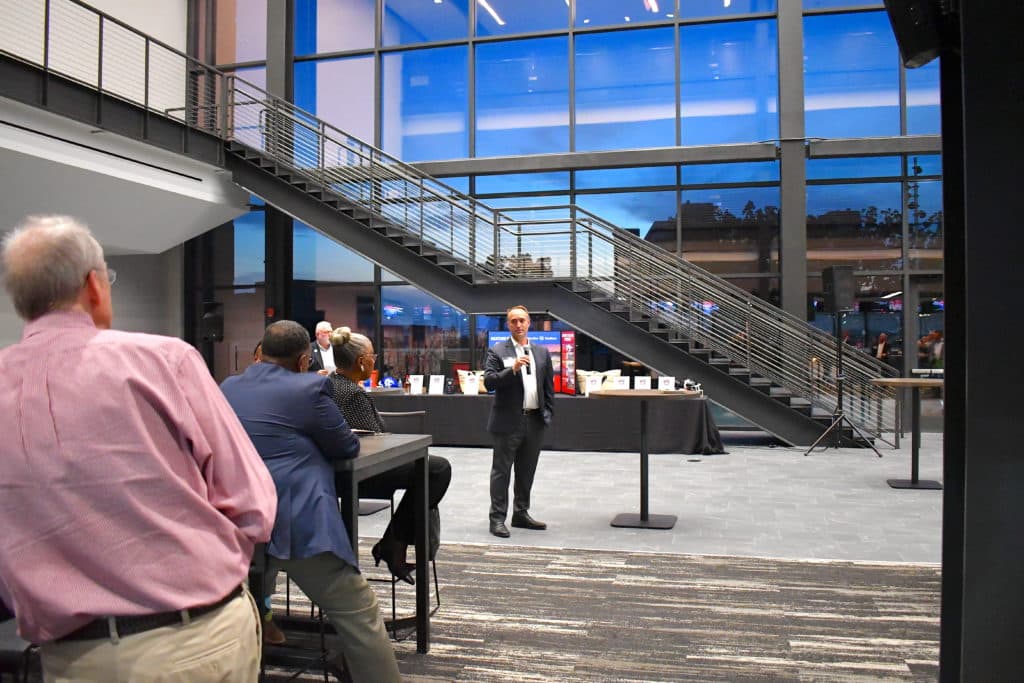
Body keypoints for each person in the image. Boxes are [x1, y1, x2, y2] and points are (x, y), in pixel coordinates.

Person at [0, 215, 277, 681]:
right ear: (93, 286)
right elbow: (253, 504)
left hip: (71, 660)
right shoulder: (164, 360)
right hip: (194, 639)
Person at [221, 320, 401, 683]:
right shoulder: (310, 387)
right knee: (359, 613)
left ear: (261, 352)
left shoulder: (229, 387)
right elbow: (345, 446)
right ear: (305, 360)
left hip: (239, 522)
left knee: (256, 581)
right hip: (296, 519)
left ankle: (264, 629)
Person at [328, 327, 452, 584]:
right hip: (359, 473)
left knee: (428, 474)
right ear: (361, 361)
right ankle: (394, 541)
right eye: (372, 356)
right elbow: (375, 443)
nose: (375, 360)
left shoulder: (330, 384)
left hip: (336, 471)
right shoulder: (353, 394)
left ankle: (394, 542)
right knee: (437, 470)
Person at [483, 305, 555, 538]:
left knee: (526, 471)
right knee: (501, 472)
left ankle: (521, 513)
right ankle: (497, 519)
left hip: (534, 421)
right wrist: (512, 369)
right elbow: (489, 382)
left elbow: (549, 388)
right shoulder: (497, 350)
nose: (518, 324)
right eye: (513, 321)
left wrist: (547, 415)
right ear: (508, 324)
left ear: (529, 323)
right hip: (507, 422)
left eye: (522, 320)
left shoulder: (542, 352)